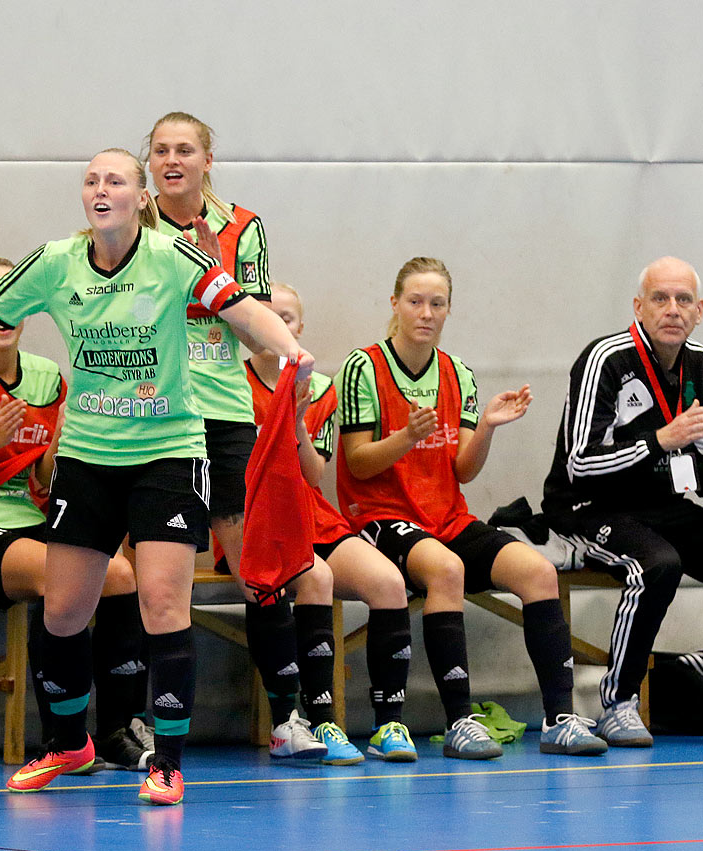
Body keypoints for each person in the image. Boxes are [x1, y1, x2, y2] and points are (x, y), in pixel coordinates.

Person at [0, 149, 312, 805]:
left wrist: (290, 349)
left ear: (140, 197)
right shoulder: (55, 262)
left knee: (162, 603)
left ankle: (167, 762)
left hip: (166, 451)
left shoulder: (171, 257)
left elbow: (241, 306)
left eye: (115, 179)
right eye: (91, 180)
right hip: (87, 455)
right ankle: (67, 744)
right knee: (62, 608)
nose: (101, 188)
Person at [337, 257, 604, 758]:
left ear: (448, 310)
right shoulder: (362, 367)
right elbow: (358, 462)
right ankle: (460, 719)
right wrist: (403, 439)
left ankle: (559, 718)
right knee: (447, 570)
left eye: (437, 304)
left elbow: (463, 471)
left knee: (538, 573)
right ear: (395, 304)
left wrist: (486, 428)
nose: (426, 312)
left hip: (448, 517)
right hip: (379, 517)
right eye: (415, 301)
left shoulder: (457, 372)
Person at [0, 258, 152, 780]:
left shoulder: (47, 377)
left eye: (14, 302)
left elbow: (46, 475)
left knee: (120, 575)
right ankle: (63, 738)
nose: (4, 314)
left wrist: (65, 440)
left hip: (28, 514)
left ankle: (117, 728)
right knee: (59, 577)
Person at [145, 111, 329, 761]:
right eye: (161, 150)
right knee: (146, 578)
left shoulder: (242, 229)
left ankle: (287, 719)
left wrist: (215, 273)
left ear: (207, 160)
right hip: (149, 414)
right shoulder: (131, 224)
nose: (173, 159)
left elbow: (255, 331)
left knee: (259, 571)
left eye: (185, 149)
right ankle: (131, 725)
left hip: (222, 413)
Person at [541, 257, 703, 747]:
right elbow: (579, 463)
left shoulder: (702, 365)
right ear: (639, 307)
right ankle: (618, 703)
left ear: (699, 311)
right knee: (657, 565)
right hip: (588, 506)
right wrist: (659, 440)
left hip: (661, 504)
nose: (672, 310)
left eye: (683, 300)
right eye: (660, 299)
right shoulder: (606, 359)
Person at [247, 282, 418, 764]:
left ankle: (389, 725)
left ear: (300, 328)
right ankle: (320, 719)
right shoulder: (231, 384)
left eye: (289, 319)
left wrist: (297, 422)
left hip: (310, 509)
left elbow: (314, 474)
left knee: (388, 582)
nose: (280, 326)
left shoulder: (320, 387)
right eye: (268, 317)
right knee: (316, 577)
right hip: (257, 513)